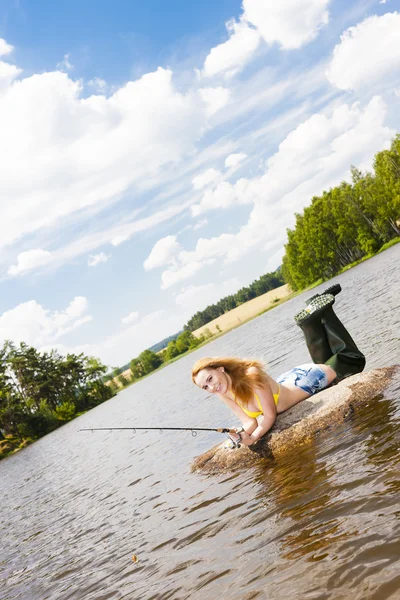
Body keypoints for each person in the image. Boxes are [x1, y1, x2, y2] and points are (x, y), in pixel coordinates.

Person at [191, 284, 365, 449]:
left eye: (210, 379)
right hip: (284, 383)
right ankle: (311, 320)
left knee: (352, 360)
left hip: (303, 381)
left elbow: (269, 415)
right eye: (205, 387)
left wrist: (253, 438)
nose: (211, 387)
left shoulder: (251, 375)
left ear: (220, 368)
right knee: (328, 361)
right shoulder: (223, 392)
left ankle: (321, 314)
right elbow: (250, 422)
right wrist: (239, 434)